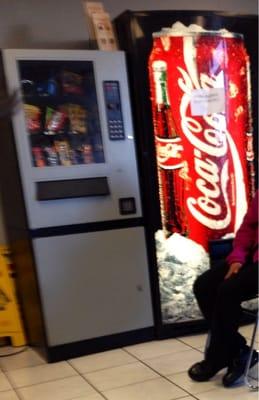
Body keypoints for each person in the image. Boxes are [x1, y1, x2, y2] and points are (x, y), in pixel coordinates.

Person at [188, 189, 258, 387]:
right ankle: (237, 351)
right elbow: (248, 228)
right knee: (204, 285)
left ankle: (219, 356)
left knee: (228, 290)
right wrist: (237, 257)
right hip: (252, 256)